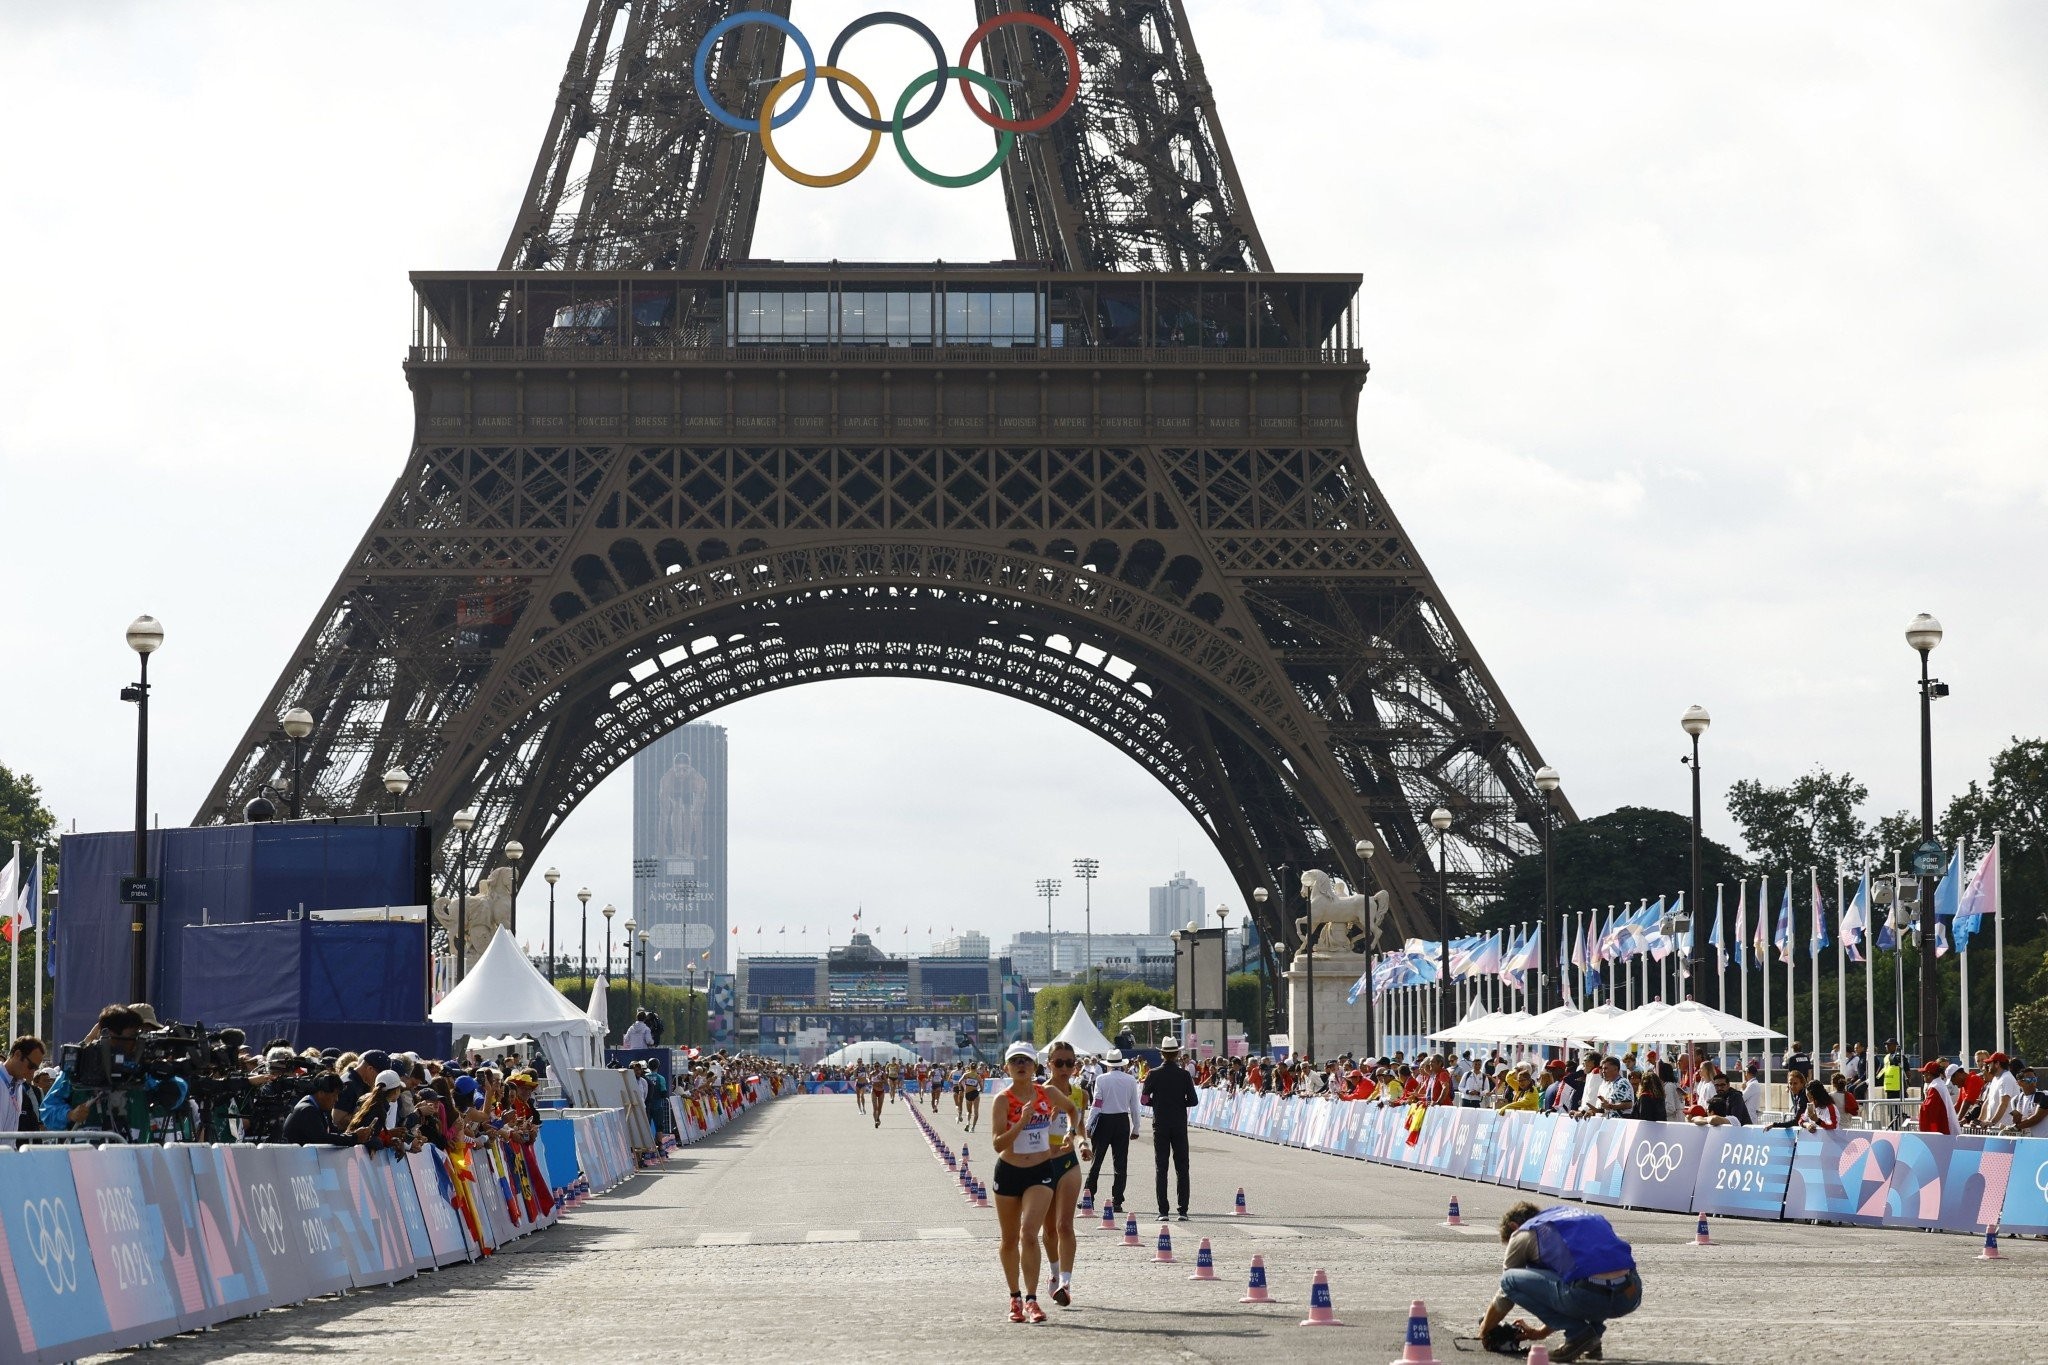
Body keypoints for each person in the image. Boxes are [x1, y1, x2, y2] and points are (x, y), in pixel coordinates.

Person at [990, 1042, 1083, 1323]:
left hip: (1041, 1172)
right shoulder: (1003, 1100)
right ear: (1007, 1066)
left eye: (1026, 1061)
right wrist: (1021, 1122)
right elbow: (997, 1144)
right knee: (1008, 1241)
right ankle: (1014, 1297)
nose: (1021, 1065)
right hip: (1009, 1171)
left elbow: (1073, 1110)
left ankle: (1032, 1300)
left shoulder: (1048, 1092)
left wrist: (1070, 1132)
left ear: (1035, 1066)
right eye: (1015, 1061)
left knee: (1028, 1233)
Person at [1477, 1201, 1640, 1361]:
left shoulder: (1524, 1232)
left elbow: (1505, 1294)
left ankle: (1579, 1334)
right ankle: (1592, 1339)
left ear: (1514, 1227)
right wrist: (1541, 1332)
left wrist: (1484, 1329)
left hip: (1588, 1295)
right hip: (1629, 1295)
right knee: (1590, 1270)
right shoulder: (1575, 1218)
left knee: (1509, 1280)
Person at [1039, 1041, 1093, 1307]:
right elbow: (1025, 1130)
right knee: (1048, 1229)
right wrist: (1045, 1121)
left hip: (1068, 1163)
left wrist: (1083, 1143)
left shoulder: (1080, 1094)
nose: (1064, 1068)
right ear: (1049, 1063)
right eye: (1058, 1063)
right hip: (1043, 1164)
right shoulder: (1039, 1093)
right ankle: (1053, 1272)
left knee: (1065, 1225)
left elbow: (1081, 1125)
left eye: (1069, 1063)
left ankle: (1065, 1282)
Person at [1141, 1036, 1199, 1222]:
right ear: (1177, 1054)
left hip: (1161, 1124)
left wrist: (1156, 1102)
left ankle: (1163, 1211)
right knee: (1182, 1167)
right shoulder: (1183, 1075)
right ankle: (1183, 1210)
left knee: (1161, 1167)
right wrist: (1179, 1102)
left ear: (1162, 1054)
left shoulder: (1154, 1073)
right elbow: (1193, 1100)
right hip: (1179, 1124)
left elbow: (1143, 1099)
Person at [1083, 1048, 1140, 1214]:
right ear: (1121, 1064)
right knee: (1120, 1163)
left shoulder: (1101, 1079)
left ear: (1108, 1064)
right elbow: (1134, 1107)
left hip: (1104, 1120)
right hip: (1122, 1120)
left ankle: (1089, 1197)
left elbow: (1097, 1105)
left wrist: (1089, 1125)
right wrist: (1136, 1127)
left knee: (1097, 1160)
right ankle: (1117, 1201)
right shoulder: (1130, 1080)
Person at [281, 1072, 358, 1145]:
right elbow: (323, 1139)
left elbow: (333, 1132)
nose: (336, 1099)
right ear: (321, 1093)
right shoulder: (307, 1110)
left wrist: (353, 1134)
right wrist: (354, 1138)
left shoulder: (321, 1108)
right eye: (334, 1095)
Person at [1, 1037, 46, 1135]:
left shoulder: (19, 1087)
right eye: (31, 1066)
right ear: (17, 1054)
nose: (32, 1073)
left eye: (36, 1068)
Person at [1977, 1052, 2021, 1131]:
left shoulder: (2006, 1078)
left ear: (1997, 1064)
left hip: (2006, 1130)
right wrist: (1980, 1121)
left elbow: (2003, 1104)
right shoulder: (1995, 1079)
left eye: (1990, 1064)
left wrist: (1991, 1122)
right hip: (1995, 1129)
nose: (1988, 1066)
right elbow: (1988, 1102)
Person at [962, 1063, 983, 1132]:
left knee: (969, 1111)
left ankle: (968, 1123)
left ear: (970, 1067)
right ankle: (973, 1128)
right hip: (975, 1093)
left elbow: (959, 1082)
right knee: (976, 1112)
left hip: (967, 1093)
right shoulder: (978, 1076)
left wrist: (961, 1089)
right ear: (976, 1068)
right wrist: (979, 1090)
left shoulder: (966, 1074)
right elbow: (982, 1088)